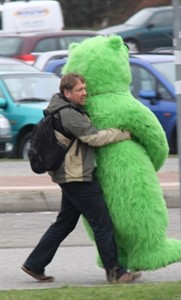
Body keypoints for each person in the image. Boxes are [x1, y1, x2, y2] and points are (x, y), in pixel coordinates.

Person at [21, 73, 141, 284]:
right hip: (77, 177)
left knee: (65, 223)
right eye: (79, 89)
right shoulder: (68, 113)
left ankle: (34, 264)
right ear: (67, 93)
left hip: (70, 175)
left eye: (85, 88)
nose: (84, 92)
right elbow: (93, 137)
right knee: (102, 223)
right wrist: (122, 133)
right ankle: (116, 273)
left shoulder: (66, 110)